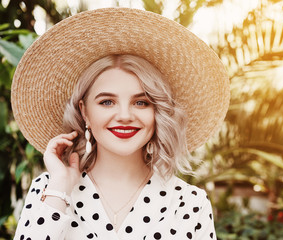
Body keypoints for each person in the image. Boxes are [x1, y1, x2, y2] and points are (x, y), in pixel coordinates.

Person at [11, 7, 229, 240]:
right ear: (84, 112)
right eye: (107, 102)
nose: (125, 115)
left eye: (141, 103)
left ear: (157, 112)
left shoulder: (190, 203)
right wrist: (60, 190)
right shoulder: (49, 188)